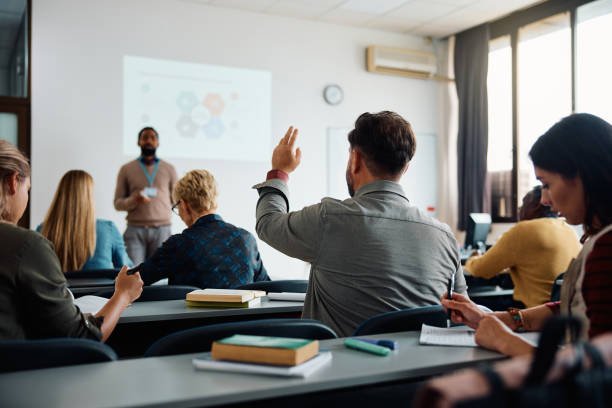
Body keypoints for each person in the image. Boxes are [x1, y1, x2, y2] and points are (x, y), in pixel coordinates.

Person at [252, 111, 467, 337]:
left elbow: (268, 223)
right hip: (421, 370)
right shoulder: (445, 236)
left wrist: (280, 171)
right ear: (405, 168)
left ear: (355, 159)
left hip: (340, 370)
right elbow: (462, 312)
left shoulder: (330, 219)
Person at [442, 113, 612, 356]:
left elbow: (597, 373)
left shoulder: (607, 247)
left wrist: (505, 341)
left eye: (547, 184)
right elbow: (571, 309)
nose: (544, 199)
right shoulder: (593, 237)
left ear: (580, 175)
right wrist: (494, 319)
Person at [0, 140, 143, 341]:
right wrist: (124, 295)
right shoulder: (27, 245)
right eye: (28, 189)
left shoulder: (42, 230)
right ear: (14, 182)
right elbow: (82, 335)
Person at [139, 169, 269, 288]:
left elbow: (135, 280)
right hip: (241, 314)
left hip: (193, 314)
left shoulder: (178, 245)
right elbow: (267, 287)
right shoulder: (247, 240)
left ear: (183, 205)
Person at [464, 186, 581, 308]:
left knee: (473, 303)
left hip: (533, 312)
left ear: (530, 207)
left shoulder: (524, 230)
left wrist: (472, 258)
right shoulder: (569, 229)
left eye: (522, 206)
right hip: (564, 309)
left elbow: (480, 270)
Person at [38, 170, 133, 271]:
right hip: (100, 287)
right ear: (89, 197)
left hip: (60, 287)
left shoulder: (42, 231)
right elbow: (128, 270)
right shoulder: (108, 229)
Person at [114, 127, 178, 264]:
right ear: (138, 142)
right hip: (135, 230)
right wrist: (134, 200)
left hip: (162, 230)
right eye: (145, 138)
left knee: (160, 279)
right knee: (134, 274)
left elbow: (177, 200)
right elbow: (117, 203)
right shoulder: (126, 169)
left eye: (152, 138)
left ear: (158, 143)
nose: (148, 140)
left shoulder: (169, 169)